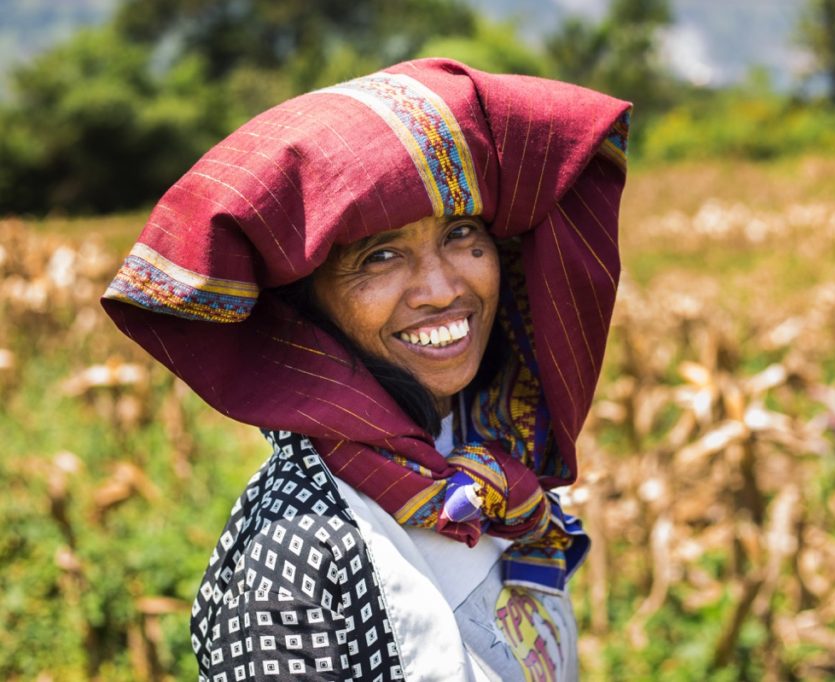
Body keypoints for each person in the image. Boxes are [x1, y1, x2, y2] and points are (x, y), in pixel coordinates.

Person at [102, 58, 630, 680]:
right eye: (380, 256)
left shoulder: (488, 457)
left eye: (463, 233)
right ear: (305, 310)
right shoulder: (290, 565)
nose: (441, 289)